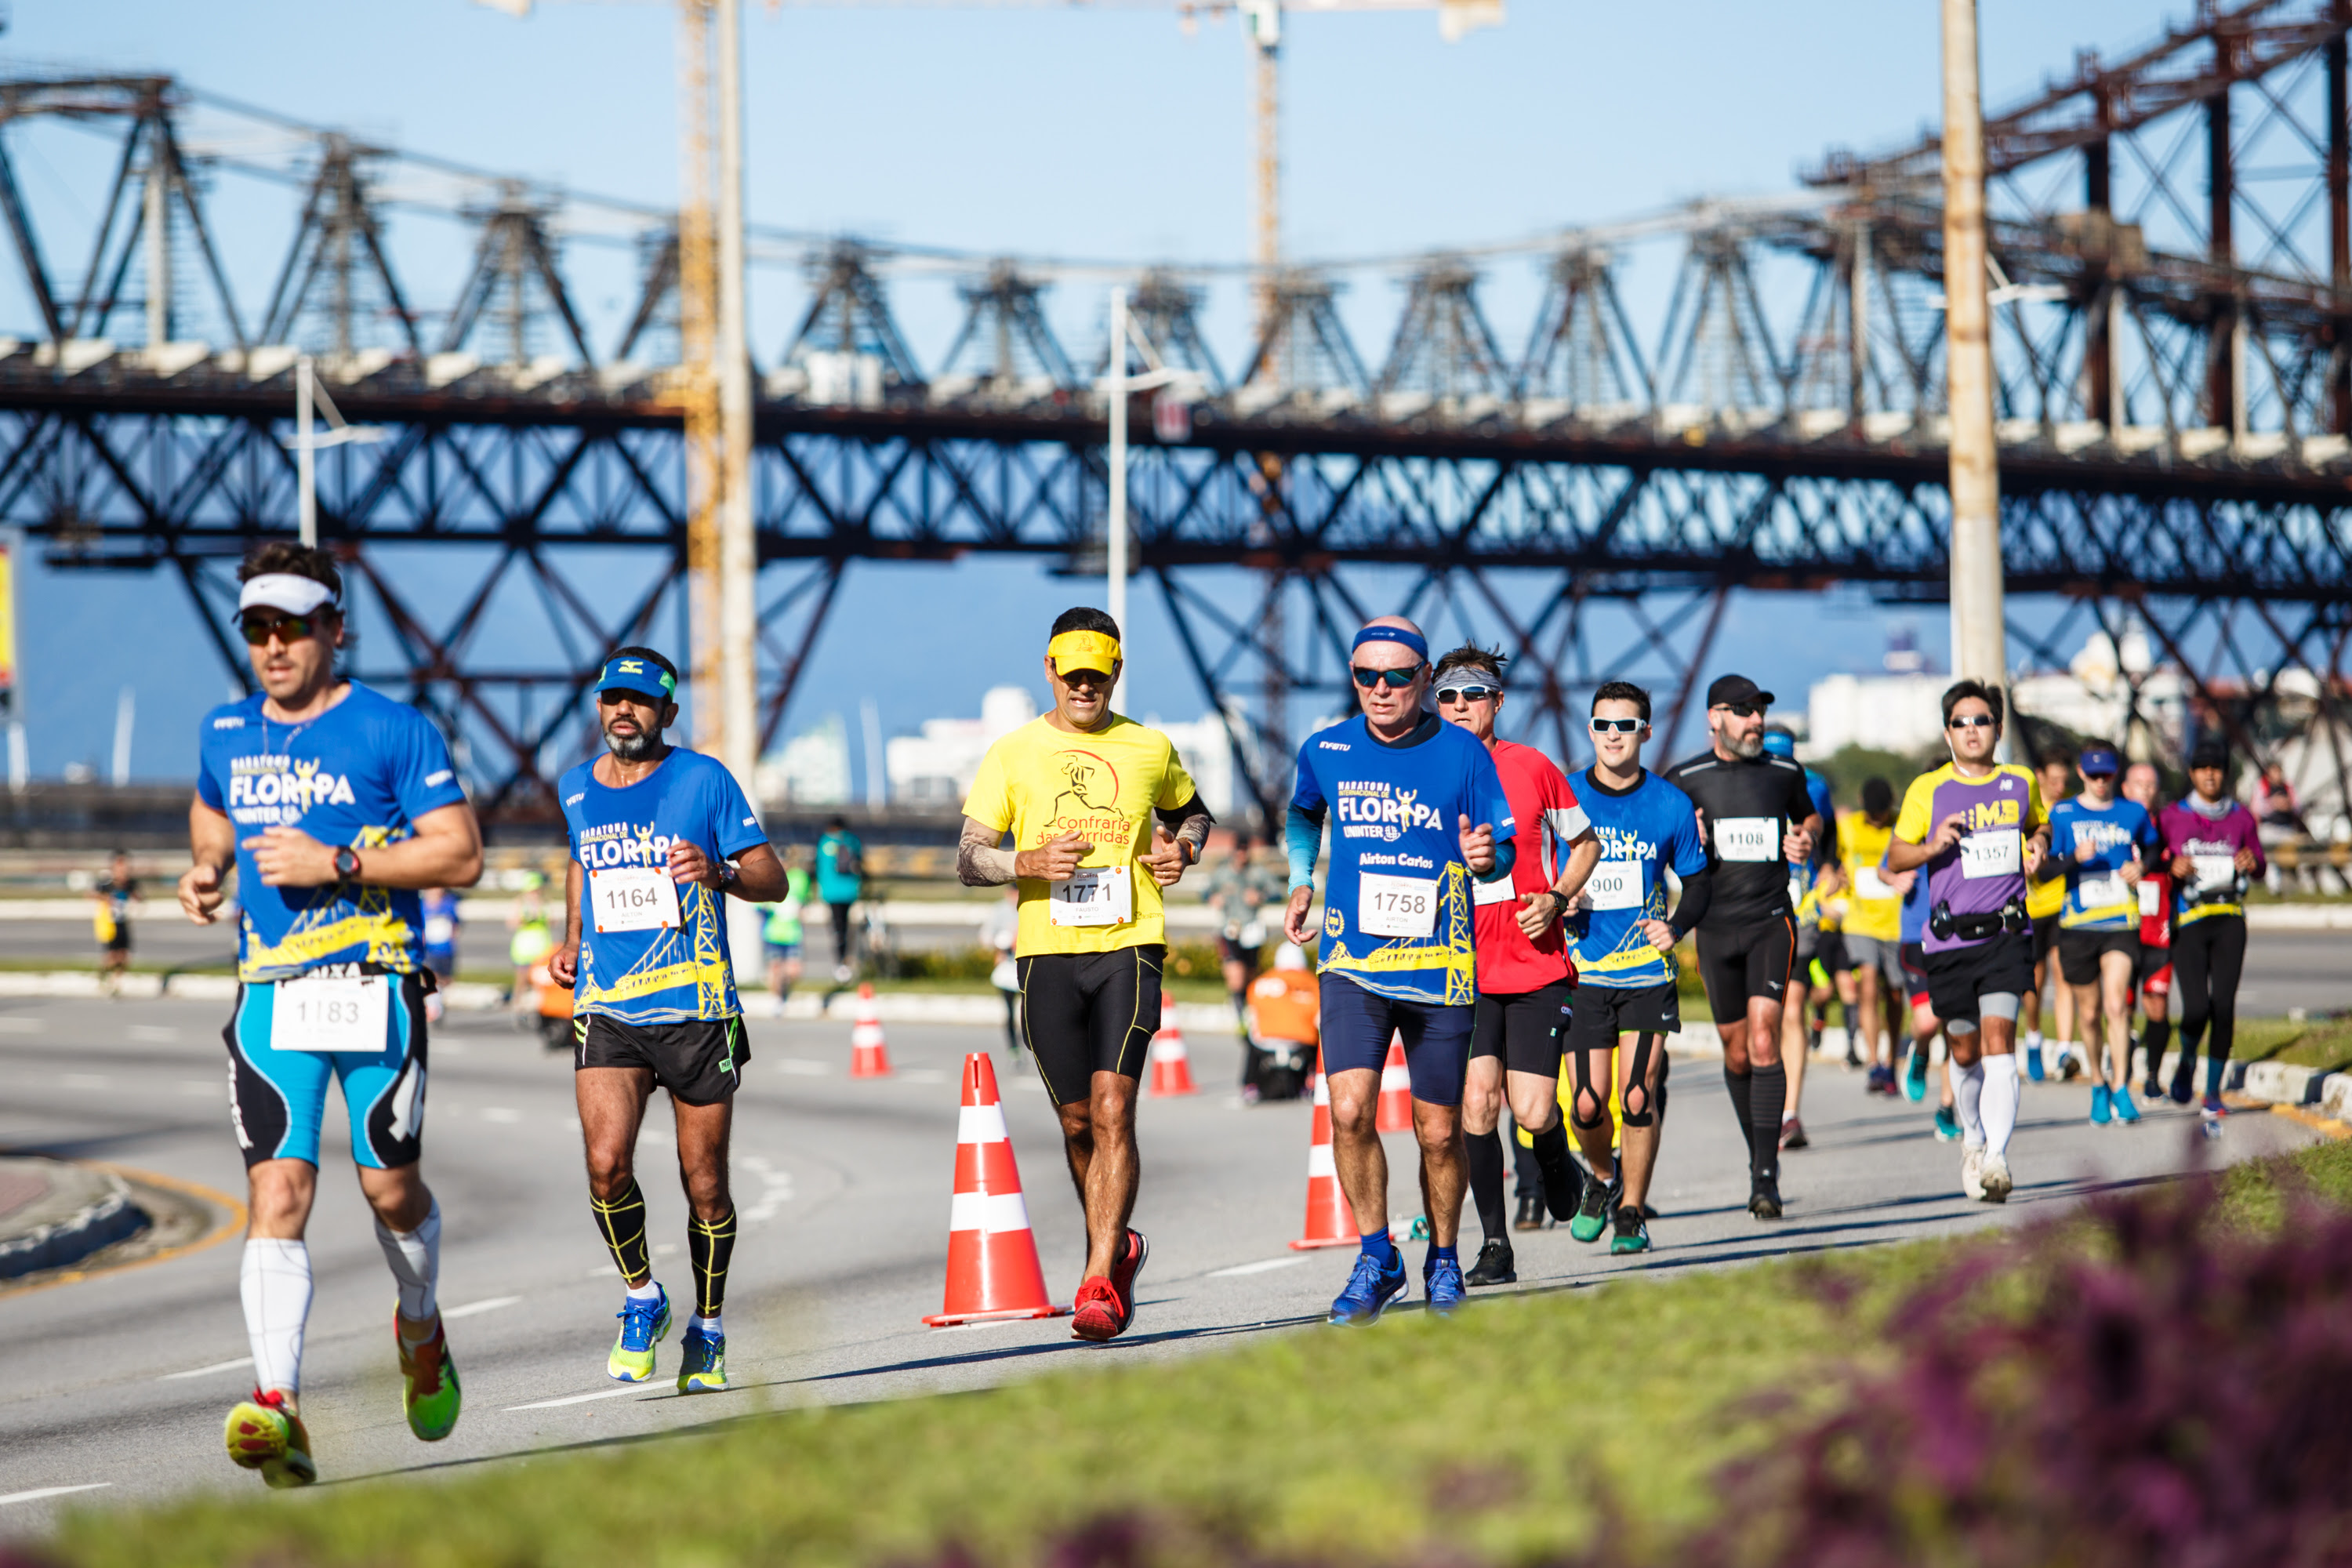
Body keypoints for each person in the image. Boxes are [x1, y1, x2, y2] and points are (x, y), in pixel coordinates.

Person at [181, 541, 484, 1488]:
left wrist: (338, 863)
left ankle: (421, 1326)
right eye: (257, 629)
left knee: (390, 1190)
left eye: (291, 627)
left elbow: (460, 853)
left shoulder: (395, 730)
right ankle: (281, 1407)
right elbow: (211, 809)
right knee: (278, 1195)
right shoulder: (226, 729)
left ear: (333, 630)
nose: (273, 646)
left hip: (375, 983)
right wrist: (207, 868)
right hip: (271, 991)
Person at [956, 608, 1212, 1341]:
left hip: (1131, 945)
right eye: (1072, 676)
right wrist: (1026, 863)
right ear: (1051, 672)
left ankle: (1098, 1277)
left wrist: (1182, 853)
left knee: (1112, 1111)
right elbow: (969, 858)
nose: (1084, 688)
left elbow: (1194, 816)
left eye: (1097, 676)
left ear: (1116, 673)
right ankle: (1119, 1243)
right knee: (1075, 1123)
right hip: (1046, 953)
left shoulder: (1148, 746)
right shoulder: (1012, 752)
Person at [546, 646, 787, 1396]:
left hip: (697, 1007)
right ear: (599, 706)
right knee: (605, 1164)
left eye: (642, 701)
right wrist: (572, 939)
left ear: (667, 714)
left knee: (704, 1183)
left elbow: (772, 879)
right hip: (608, 1006)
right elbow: (583, 864)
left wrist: (718, 872)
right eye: (614, 698)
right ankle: (643, 1296)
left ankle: (708, 1328)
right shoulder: (576, 788)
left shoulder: (704, 781)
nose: (626, 710)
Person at [1282, 615, 1515, 1323]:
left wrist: (1488, 860)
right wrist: (1301, 879)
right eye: (1365, 677)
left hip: (1441, 968)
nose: (1380, 690)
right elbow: (1302, 813)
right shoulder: (1326, 747)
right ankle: (1377, 1255)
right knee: (1349, 1110)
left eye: (1396, 677)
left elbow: (1500, 848)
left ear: (1423, 679)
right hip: (1354, 960)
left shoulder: (1463, 754)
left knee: (1439, 1131)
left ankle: (1444, 1257)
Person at [1430, 643, 1599, 1287]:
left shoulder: (1531, 768)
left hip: (1535, 966)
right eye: (1447, 695)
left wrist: (1557, 898)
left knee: (1532, 1111)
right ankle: (1496, 1243)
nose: (1460, 705)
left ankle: (1569, 1172)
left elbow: (1586, 842)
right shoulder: (1422, 774)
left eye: (1473, 694)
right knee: (1475, 1108)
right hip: (1459, 972)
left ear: (1497, 702)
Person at [1662, 675, 1820, 1221]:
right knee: (1734, 1051)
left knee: (1762, 1037)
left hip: (1771, 921)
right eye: (1743, 711)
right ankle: (1758, 1149)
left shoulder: (1783, 773)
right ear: (1714, 719)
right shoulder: (1683, 779)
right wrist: (1686, 837)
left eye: (1759, 711)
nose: (1756, 721)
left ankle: (1765, 1175)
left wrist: (1806, 837)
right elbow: (1650, 836)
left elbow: (1810, 817)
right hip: (1713, 928)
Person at [1885, 680, 2049, 1203]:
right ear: (1947, 731)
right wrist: (1933, 844)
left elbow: (2040, 826)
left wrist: (2039, 846)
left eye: (1982, 720)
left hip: (2006, 932)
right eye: (1961, 722)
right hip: (1950, 939)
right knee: (1964, 1048)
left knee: (2001, 1043)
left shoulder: (2021, 782)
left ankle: (1998, 1156)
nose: (1972, 730)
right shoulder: (1928, 789)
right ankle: (1974, 1141)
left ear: (1999, 728)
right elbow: (1895, 857)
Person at [1564, 681, 1711, 1255]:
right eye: (1603, 725)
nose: (1613, 736)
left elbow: (1698, 881)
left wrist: (1675, 927)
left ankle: (1630, 1210)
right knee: (1586, 1103)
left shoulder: (1670, 804)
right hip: (1583, 972)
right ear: (1591, 730)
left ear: (1645, 732)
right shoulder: (1568, 795)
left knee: (1635, 1096)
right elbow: (1542, 870)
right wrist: (1563, 897)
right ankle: (1601, 1177)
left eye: (1625, 726)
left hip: (1647, 973)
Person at [2038, 743, 2159, 1126]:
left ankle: (2121, 1087)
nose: (2101, 782)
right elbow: (2044, 871)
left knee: (2115, 1006)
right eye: (2094, 776)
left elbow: (2155, 848)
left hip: (2120, 924)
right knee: (2089, 1015)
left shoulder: (2133, 812)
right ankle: (2097, 1082)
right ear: (2080, 774)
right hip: (2077, 926)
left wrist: (2142, 868)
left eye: (2107, 775)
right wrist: (2075, 858)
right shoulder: (2063, 814)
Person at [2160, 738, 2265, 1118]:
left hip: (2229, 920)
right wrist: (2171, 864)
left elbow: (2261, 864)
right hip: (2189, 920)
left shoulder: (2241, 817)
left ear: (2225, 774)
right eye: (2203, 767)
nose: (2210, 774)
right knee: (2196, 1009)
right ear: (2191, 773)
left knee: (2223, 1007)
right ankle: (2187, 1060)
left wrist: (2250, 860)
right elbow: (2156, 859)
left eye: (2216, 767)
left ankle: (2213, 1091)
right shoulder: (2172, 816)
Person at [1762, 726, 1840, 1152]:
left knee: (1792, 1011)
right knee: (1763, 1018)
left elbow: (1831, 841)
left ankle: (1789, 1113)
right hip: (1752, 915)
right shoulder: (1745, 783)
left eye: (1788, 757)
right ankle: (1767, 1103)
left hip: (1799, 910)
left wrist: (1829, 867)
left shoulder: (1814, 788)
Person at [1838, 780, 1907, 1095]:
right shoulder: (1847, 827)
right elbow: (1835, 860)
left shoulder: (1902, 825)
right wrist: (1835, 874)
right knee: (1867, 984)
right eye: (1872, 814)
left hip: (1895, 923)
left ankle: (1892, 1060)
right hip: (1860, 921)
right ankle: (1874, 1063)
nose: (1877, 820)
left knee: (1894, 993)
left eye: (1882, 814)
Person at [2020, 754, 2076, 1080]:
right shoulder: (2029, 808)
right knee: (2036, 981)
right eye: (2053, 778)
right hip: (2031, 907)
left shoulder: (2067, 812)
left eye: (2063, 779)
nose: (2059, 785)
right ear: (2040, 775)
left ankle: (2065, 1048)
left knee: (2063, 973)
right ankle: (2033, 1038)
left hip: (2061, 905)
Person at [2122, 761, 2175, 1099]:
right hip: (2122, 930)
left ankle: (2153, 1075)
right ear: (2125, 788)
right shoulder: (2115, 823)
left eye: (2151, 784)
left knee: (2157, 1005)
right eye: (2138, 783)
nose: (2145, 789)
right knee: (2122, 1008)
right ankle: (2122, 1075)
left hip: (2159, 931)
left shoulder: (2167, 826)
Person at [1203, 833, 1278, 1047]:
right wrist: (1213, 898)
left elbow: (1276, 892)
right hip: (1229, 928)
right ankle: (1240, 1018)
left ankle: (1249, 1011)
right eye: (1239, 850)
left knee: (1251, 975)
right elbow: (1206, 892)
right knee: (1236, 975)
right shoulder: (1223, 873)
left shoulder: (1258, 873)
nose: (1241, 855)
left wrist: (1260, 897)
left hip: (1252, 928)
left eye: (1245, 851)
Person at [1246, 942, 1321, 1103]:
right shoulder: (1312, 983)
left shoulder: (1260, 982)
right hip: (1301, 1042)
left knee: (1249, 1040)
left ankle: (1249, 1084)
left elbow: (1252, 1019)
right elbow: (1319, 1021)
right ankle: (1312, 1078)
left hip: (1265, 1042)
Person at [978, 883, 1027, 1069]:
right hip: (1007, 969)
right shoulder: (999, 911)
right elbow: (985, 936)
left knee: (1028, 1011)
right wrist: (999, 944)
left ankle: (1028, 1042)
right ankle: (1014, 1049)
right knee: (1008, 1012)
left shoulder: (1028, 907)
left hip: (1025, 965)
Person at [758, 845, 811, 1005]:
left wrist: (800, 910)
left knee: (794, 971)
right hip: (773, 933)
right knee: (776, 969)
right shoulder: (768, 877)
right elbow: (758, 906)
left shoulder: (800, 878)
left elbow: (805, 899)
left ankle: (783, 991)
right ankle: (777, 998)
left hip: (793, 932)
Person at [815, 815, 865, 982]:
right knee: (847, 926)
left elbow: (818, 866)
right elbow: (861, 864)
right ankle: (846, 961)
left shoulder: (824, 841)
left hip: (831, 891)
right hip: (850, 889)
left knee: (837, 927)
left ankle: (840, 963)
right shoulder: (852, 841)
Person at [93, 849, 136, 995]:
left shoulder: (129, 883)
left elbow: (138, 897)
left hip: (123, 922)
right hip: (109, 924)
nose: (123, 868)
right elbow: (92, 894)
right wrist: (106, 899)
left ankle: (116, 982)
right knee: (112, 956)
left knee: (124, 956)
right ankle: (102, 976)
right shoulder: (107, 882)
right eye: (120, 864)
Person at [2254, 760, 2300, 895]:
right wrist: (2273, 804)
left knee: (2291, 858)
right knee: (2271, 858)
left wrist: (2288, 804)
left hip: (2286, 828)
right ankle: (2274, 889)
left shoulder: (2288, 787)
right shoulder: (2262, 786)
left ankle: (2291, 888)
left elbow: (2298, 806)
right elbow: (2256, 808)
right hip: (2269, 828)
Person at [420, 886, 460, 1024]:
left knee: (446, 980)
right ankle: (434, 1007)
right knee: (433, 976)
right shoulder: (422, 905)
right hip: (430, 949)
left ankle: (437, 1000)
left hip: (446, 949)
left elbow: (456, 923)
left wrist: (454, 938)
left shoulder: (449, 903)